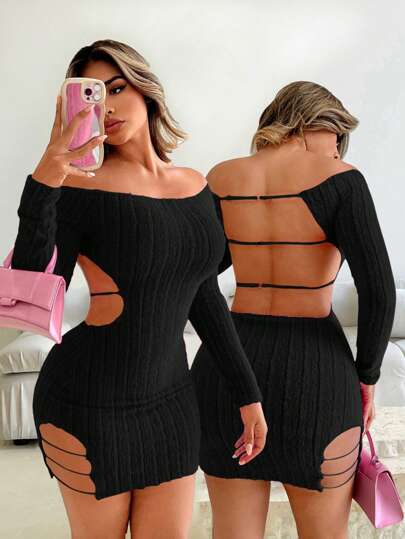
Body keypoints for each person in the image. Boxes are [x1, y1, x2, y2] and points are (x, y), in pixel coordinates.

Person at [10, 39, 267, 538]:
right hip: (87, 402)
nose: (106, 107)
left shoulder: (196, 187)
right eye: (91, 96)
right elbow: (32, 280)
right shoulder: (77, 188)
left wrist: (248, 393)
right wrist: (47, 177)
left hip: (172, 404)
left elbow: (204, 297)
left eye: (116, 89)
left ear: (146, 91)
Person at [190, 81, 397, 538]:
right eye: (336, 138)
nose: (337, 152)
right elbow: (380, 291)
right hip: (317, 376)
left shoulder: (221, 177)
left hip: (228, 371)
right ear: (313, 123)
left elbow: (197, 277)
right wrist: (367, 376)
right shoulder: (342, 180)